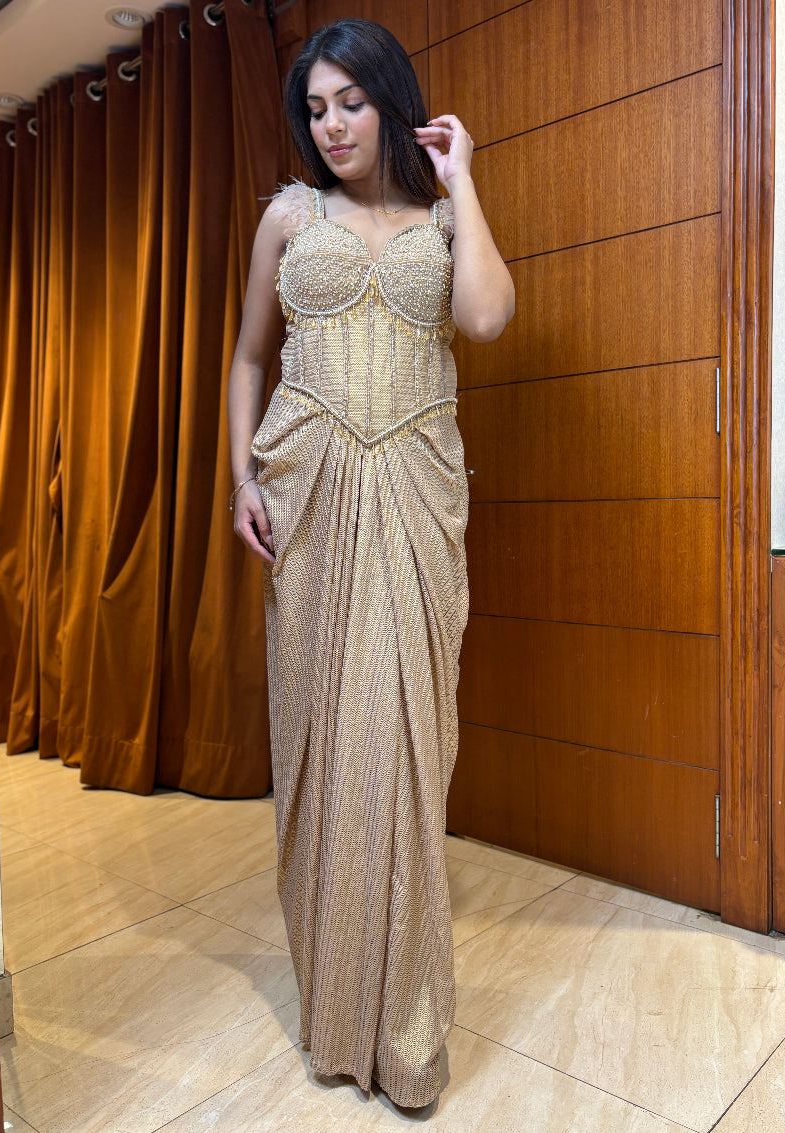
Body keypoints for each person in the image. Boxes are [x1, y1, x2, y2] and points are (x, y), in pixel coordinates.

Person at [227, 17, 514, 1110]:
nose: (332, 124)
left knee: (403, 752)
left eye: (350, 100)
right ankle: (338, 1015)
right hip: (306, 501)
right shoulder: (290, 217)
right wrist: (239, 478)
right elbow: (250, 354)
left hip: (415, 504)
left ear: (392, 102)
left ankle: (407, 1036)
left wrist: (465, 178)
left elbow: (484, 318)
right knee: (324, 745)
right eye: (315, 106)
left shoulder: (446, 220)